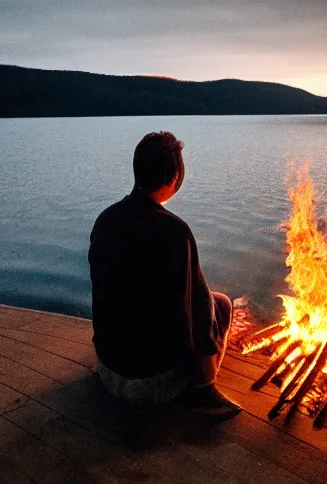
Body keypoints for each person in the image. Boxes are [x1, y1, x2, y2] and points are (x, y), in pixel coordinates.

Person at [88, 131, 241, 418]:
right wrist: (196, 366)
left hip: (108, 370)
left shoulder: (106, 220)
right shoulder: (175, 232)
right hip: (150, 387)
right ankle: (202, 392)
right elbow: (194, 310)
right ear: (174, 178)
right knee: (218, 303)